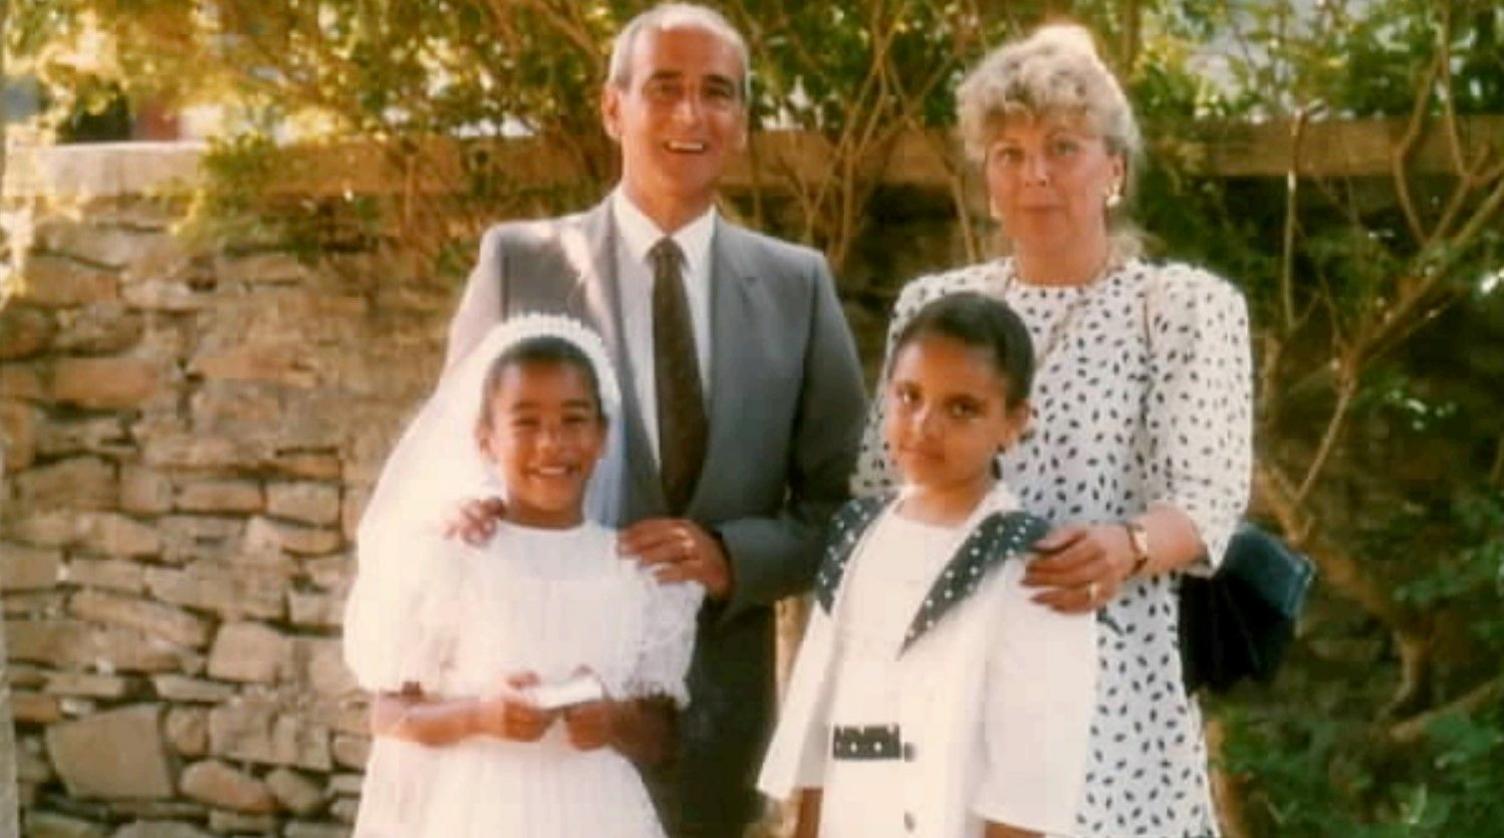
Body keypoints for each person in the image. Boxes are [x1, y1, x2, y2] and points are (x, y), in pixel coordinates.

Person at [443, 4, 868, 833]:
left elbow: (847, 513)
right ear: (613, 108)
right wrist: (466, 509)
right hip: (540, 730)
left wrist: (732, 558)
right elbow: (452, 469)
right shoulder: (520, 263)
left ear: (741, 121)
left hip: (715, 725)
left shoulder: (797, 288)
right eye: (663, 88)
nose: (689, 114)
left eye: (716, 93)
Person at [851, 23, 1252, 838]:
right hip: (947, 676)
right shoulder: (937, 306)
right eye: (1007, 152)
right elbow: (877, 488)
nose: (1035, 174)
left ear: (1115, 169)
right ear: (986, 178)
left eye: (1062, 147)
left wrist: (1129, 546)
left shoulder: (1179, 308)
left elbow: (1209, 497)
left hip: (1109, 676)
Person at [343, 315, 702, 837]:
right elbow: (388, 714)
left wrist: (614, 720)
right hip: (475, 813)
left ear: (602, 436)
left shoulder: (637, 572)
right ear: (486, 439)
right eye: (526, 422)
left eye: (574, 420)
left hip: (596, 814)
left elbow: (662, 735)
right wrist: (479, 716)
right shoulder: (451, 558)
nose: (551, 443)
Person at [760, 293, 1097, 838]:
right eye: (909, 397)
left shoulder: (1031, 566)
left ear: (1014, 421)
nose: (925, 424)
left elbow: (1031, 785)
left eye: (961, 408)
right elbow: (820, 731)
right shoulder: (855, 535)